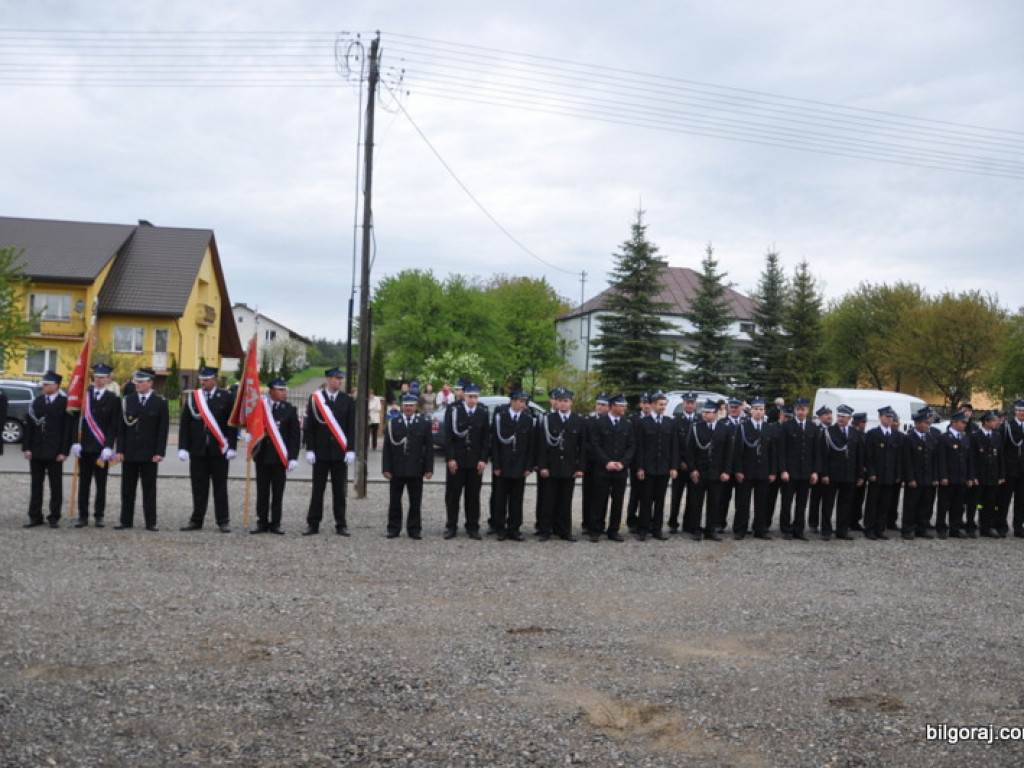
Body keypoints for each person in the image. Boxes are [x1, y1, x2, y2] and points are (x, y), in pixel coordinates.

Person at [179, 366, 239, 533]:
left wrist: (232, 446)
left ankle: (223, 520)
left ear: (215, 380)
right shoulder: (193, 397)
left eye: (206, 379)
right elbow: (185, 423)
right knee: (198, 486)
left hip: (219, 450)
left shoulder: (226, 397)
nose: (203, 382)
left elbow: (232, 424)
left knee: (220, 487)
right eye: (201, 379)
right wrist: (183, 447)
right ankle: (196, 519)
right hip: (198, 450)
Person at [304, 368, 356, 536]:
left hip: (339, 453)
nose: (340, 381)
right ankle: (313, 523)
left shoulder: (347, 400)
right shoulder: (315, 399)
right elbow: (309, 426)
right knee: (318, 490)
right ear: (328, 379)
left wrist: (351, 449)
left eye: (341, 378)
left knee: (339, 490)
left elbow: (351, 427)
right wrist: (310, 448)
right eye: (336, 378)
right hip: (320, 452)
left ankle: (341, 523)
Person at [115, 368, 168, 531]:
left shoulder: (159, 402)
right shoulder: (128, 400)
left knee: (149, 489)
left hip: (149, 453)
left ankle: (151, 521)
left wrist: (160, 452)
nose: (137, 384)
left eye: (141, 381)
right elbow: (121, 428)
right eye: (136, 381)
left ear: (150, 383)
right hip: (130, 451)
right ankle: (125, 520)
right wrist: (120, 450)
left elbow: (162, 430)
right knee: (127, 489)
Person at [70, 363, 122, 528]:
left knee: (101, 485)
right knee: (84, 484)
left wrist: (108, 446)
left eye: (103, 377)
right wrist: (75, 442)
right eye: (97, 377)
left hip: (101, 450)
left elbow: (114, 424)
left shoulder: (113, 399)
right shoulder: (84, 396)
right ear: (93, 378)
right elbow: (75, 421)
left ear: (108, 379)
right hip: (84, 447)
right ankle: (82, 516)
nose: (99, 380)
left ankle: (99, 515)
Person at [22, 371, 73, 529]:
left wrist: (64, 451)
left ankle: (54, 517)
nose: (43, 387)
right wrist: (27, 447)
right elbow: (29, 426)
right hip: (37, 449)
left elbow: (68, 430)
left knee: (55, 486)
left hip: (55, 451)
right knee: (36, 485)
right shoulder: (36, 402)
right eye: (43, 384)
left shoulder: (65, 403)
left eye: (46, 384)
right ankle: (35, 515)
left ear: (56, 386)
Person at [250, 379, 301, 535]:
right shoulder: (260, 408)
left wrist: (293, 457)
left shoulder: (290, 410)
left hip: (280, 457)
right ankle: (262, 522)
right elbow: (253, 425)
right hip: (263, 456)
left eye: (284, 390)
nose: (283, 392)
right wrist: (249, 435)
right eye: (280, 389)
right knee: (262, 491)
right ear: (271, 390)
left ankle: (276, 522)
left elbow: (294, 437)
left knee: (278, 492)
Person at [535, 387, 585, 541]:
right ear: (556, 402)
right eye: (560, 401)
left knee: (565, 501)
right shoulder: (548, 419)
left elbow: (582, 447)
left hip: (569, 467)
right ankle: (545, 530)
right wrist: (542, 466)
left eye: (566, 401)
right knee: (547, 500)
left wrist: (580, 467)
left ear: (571, 402)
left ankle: (564, 531)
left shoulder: (578, 420)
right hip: (551, 466)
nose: (563, 404)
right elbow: (541, 445)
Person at [382, 393, 434, 539]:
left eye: (411, 405)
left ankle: (414, 529)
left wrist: (429, 468)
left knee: (415, 501)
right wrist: (386, 468)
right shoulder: (393, 422)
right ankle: (393, 528)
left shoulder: (424, 423)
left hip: (416, 468)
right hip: (397, 468)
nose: (408, 408)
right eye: (406, 405)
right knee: (394, 501)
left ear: (416, 406)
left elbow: (429, 448)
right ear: (401, 406)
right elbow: (387, 448)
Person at [443, 383, 490, 539]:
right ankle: (451, 526)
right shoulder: (454, 409)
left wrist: (483, 459)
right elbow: (448, 436)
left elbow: (486, 438)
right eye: (470, 396)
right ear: (464, 396)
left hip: (474, 461)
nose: (473, 400)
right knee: (453, 495)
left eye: (475, 397)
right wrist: (450, 458)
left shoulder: (483, 411)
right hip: (458, 460)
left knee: (473, 496)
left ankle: (472, 526)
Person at [587, 393, 635, 543]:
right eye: (621, 406)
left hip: (620, 470)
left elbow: (631, 446)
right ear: (613, 406)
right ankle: (595, 529)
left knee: (618, 501)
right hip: (603, 469)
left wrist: (623, 462)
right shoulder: (599, 423)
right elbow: (595, 445)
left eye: (624, 406)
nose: (624, 408)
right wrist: (606, 462)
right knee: (599, 500)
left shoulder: (627, 424)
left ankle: (613, 530)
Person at [684, 399, 733, 541]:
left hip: (717, 472)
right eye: (703, 412)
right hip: (699, 472)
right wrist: (692, 469)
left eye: (708, 412)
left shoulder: (724, 428)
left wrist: (726, 471)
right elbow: (690, 451)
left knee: (714, 502)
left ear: (717, 413)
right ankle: (695, 529)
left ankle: (711, 530)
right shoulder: (696, 427)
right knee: (696, 502)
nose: (704, 415)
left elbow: (728, 452)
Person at [490, 389, 535, 541]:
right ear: (512, 401)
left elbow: (530, 445)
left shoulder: (527, 419)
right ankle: (500, 527)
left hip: (519, 466)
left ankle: (514, 528)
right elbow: (495, 443)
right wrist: (496, 465)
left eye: (524, 402)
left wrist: (529, 466)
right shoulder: (500, 417)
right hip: (503, 465)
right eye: (520, 401)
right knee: (500, 499)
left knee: (517, 500)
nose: (523, 404)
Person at [633, 391, 678, 540]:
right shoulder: (642, 422)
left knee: (660, 500)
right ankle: (643, 529)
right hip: (648, 468)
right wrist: (639, 467)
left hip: (663, 468)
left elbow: (674, 447)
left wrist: (673, 467)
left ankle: (657, 529)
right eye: (660, 405)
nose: (662, 407)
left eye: (664, 405)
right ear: (652, 405)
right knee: (645, 500)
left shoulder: (669, 422)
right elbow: (639, 447)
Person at [816, 404, 865, 541]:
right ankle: (826, 531)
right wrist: (824, 473)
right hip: (832, 473)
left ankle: (842, 530)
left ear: (849, 418)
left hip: (849, 474)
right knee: (828, 504)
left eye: (843, 416)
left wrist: (860, 475)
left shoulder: (855, 433)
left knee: (845, 504)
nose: (840, 418)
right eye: (839, 416)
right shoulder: (829, 431)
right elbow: (823, 454)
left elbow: (859, 456)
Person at [731, 397, 776, 540]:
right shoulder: (742, 427)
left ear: (764, 411)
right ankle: (740, 529)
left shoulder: (769, 428)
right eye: (756, 409)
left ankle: (760, 529)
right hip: (746, 471)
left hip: (763, 471)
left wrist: (773, 471)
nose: (758, 411)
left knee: (762, 503)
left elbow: (773, 452)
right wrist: (738, 470)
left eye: (761, 409)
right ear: (751, 411)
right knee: (743, 503)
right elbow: (737, 452)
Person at [778, 397, 816, 541]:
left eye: (803, 409)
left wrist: (814, 471)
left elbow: (815, 451)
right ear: (794, 410)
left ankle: (799, 529)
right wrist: (783, 470)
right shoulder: (787, 426)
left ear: (808, 410)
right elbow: (782, 450)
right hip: (790, 471)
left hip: (806, 472)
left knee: (802, 503)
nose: (801, 412)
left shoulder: (812, 427)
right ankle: (786, 529)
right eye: (798, 409)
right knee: (787, 502)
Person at [863, 406, 902, 541]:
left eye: (891, 417)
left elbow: (898, 457)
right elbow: (868, 456)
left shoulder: (896, 435)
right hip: (877, 475)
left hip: (889, 475)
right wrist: (871, 472)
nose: (889, 419)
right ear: (880, 418)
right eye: (886, 417)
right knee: (872, 503)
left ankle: (880, 528)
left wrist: (898, 474)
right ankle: (869, 529)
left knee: (885, 503)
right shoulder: (872, 434)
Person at [901, 408, 941, 540]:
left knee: (925, 505)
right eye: (924, 423)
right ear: (917, 424)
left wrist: (935, 477)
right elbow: (906, 461)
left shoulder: (930, 438)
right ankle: (908, 529)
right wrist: (910, 478)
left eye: (928, 423)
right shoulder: (909, 438)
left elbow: (934, 460)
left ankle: (921, 528)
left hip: (928, 478)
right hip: (915, 478)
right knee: (911, 505)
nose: (927, 425)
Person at [938, 412, 975, 538]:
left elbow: (969, 460)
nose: (964, 425)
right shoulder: (944, 438)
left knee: (958, 506)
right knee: (943, 505)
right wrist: (943, 476)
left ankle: (955, 528)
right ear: (954, 423)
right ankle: (941, 528)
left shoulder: (964, 438)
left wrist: (969, 477)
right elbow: (941, 459)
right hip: (948, 477)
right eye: (962, 422)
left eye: (965, 423)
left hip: (961, 478)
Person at [972, 410, 1006, 537]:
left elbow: (1000, 457)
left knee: (990, 502)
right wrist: (973, 475)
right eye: (993, 421)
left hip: (993, 475)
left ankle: (987, 526)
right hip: (980, 475)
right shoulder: (976, 436)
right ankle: (972, 525)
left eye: (996, 421)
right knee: (976, 502)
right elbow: (973, 458)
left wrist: (1001, 475)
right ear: (985, 422)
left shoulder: (996, 436)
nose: (996, 423)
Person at [668, 392, 699, 534]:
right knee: (676, 496)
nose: (689, 405)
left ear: (696, 405)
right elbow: (674, 445)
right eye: (687, 402)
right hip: (680, 466)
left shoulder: (699, 421)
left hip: (694, 467)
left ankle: (689, 524)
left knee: (693, 497)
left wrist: (693, 466)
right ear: (683, 404)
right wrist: (680, 462)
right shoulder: (675, 421)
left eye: (692, 403)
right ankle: (673, 523)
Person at [625, 393, 652, 534]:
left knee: (649, 495)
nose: (646, 405)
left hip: (652, 464)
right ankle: (632, 520)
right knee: (635, 493)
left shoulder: (655, 419)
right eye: (644, 402)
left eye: (649, 402)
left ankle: (646, 520)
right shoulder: (633, 419)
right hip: (636, 463)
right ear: (640, 404)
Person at [1000, 399, 1024, 537]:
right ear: (1015, 411)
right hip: (1010, 470)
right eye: (1020, 410)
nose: (1022, 413)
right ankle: (1001, 525)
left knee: (1021, 502)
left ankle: (1018, 527)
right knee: (1005, 500)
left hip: (1023, 471)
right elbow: (1002, 449)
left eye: (1023, 411)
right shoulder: (1007, 427)